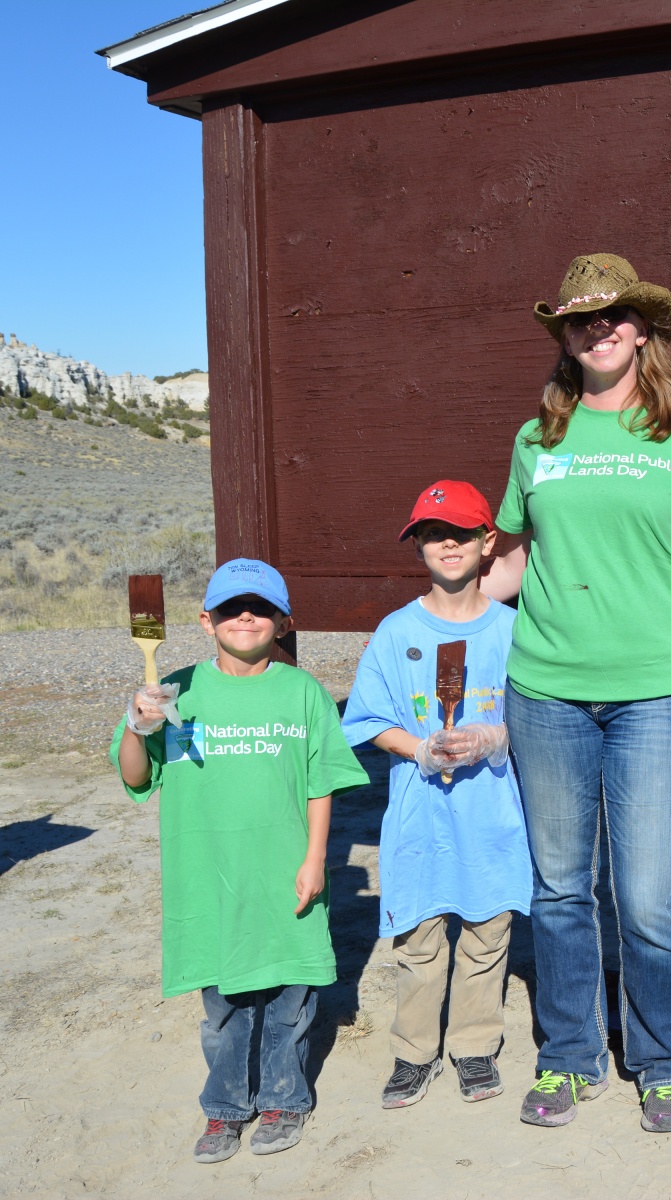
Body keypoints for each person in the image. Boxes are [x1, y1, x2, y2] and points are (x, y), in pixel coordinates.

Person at [481, 253, 671, 1132]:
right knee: (560, 889)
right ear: (565, 339)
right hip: (545, 692)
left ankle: (662, 1059)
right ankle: (568, 1055)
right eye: (580, 319)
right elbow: (514, 558)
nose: (598, 329)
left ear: (643, 331)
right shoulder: (536, 439)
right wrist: (439, 606)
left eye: (614, 317)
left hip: (657, 693)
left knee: (648, 894)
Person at [111, 558, 369, 1164]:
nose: (244, 616)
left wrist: (315, 859)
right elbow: (136, 775)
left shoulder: (302, 691)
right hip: (208, 875)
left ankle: (284, 1097)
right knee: (222, 1005)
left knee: (289, 997)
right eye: (230, 607)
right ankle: (225, 1106)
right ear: (206, 620)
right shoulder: (173, 690)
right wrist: (134, 724)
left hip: (286, 871)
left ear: (284, 621)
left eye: (259, 607)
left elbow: (320, 783)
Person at [342, 480, 532, 1110]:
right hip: (420, 815)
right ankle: (413, 1053)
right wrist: (418, 748)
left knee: (486, 930)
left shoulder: (515, 630)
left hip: (493, 812)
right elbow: (368, 720)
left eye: (460, 534)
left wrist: (495, 735)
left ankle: (474, 1047)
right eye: (432, 534)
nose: (446, 545)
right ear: (417, 546)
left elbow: (542, 716)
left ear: (487, 542)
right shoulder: (395, 633)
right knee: (419, 939)